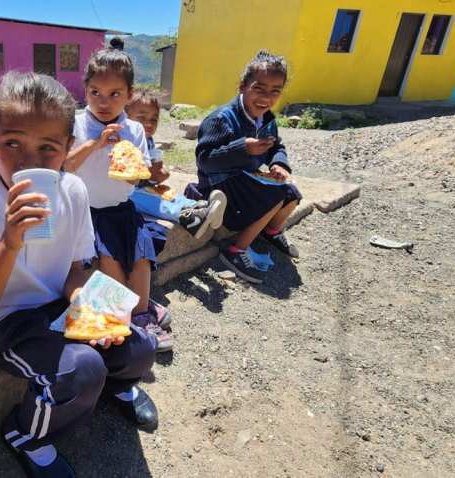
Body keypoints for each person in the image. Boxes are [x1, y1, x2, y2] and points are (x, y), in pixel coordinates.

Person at [0, 71, 158, 478]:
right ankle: (26, 435)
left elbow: (75, 271)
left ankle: (117, 386)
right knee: (82, 368)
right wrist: (9, 242)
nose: (28, 163)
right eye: (12, 144)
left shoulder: (72, 191)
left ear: (68, 148)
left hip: (58, 304)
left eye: (48, 149)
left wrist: (98, 309)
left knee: (139, 341)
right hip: (6, 322)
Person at [65, 48, 173, 352]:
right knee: (110, 262)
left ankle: (143, 315)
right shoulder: (77, 124)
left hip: (123, 210)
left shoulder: (134, 129)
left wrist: (131, 163)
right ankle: (123, 314)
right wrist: (95, 144)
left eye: (114, 94)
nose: (103, 101)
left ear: (129, 95)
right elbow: (66, 165)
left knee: (141, 259)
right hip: (88, 213)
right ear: (85, 90)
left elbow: (134, 179)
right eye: (95, 92)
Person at [195, 50, 303, 284]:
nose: (266, 97)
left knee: (292, 193)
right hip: (219, 185)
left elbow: (276, 146)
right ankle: (235, 250)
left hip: (246, 180)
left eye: (275, 91)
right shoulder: (221, 119)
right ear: (242, 86)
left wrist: (278, 163)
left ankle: (270, 232)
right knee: (275, 196)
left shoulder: (267, 119)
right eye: (259, 88)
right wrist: (242, 148)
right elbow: (205, 159)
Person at [125, 88, 227, 241]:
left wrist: (159, 175)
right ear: (125, 117)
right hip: (126, 193)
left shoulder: (149, 140)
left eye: (154, 119)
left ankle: (201, 208)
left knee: (169, 194)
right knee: (154, 202)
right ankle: (189, 217)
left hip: (143, 185)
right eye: (142, 118)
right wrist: (148, 173)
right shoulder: (124, 142)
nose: (149, 124)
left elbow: (153, 171)